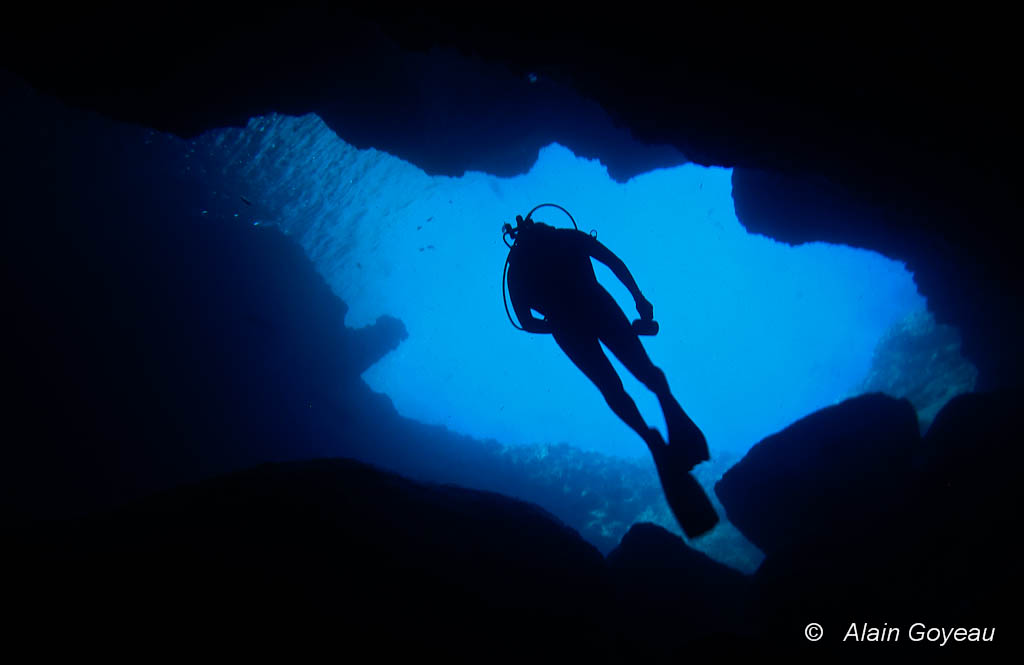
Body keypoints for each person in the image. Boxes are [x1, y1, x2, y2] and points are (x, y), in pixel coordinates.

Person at [505, 214, 710, 471]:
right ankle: (674, 418)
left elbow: (526, 322)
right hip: (600, 306)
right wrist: (639, 299)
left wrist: (557, 323)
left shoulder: (517, 269)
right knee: (644, 370)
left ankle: (651, 440)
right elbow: (614, 263)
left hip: (568, 331)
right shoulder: (567, 237)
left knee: (611, 388)